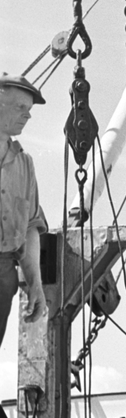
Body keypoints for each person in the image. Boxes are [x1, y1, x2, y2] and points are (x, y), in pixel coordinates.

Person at [0, 74, 48, 344]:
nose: (27, 117)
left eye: (29, 111)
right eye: (20, 108)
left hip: (4, 273)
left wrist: (35, 285)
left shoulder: (25, 165)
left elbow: (31, 227)